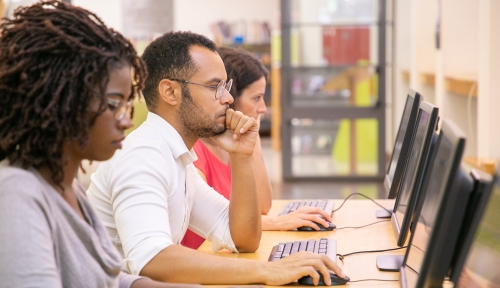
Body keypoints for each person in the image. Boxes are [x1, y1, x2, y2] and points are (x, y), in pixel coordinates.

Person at [86, 30, 345, 286]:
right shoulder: (144, 155)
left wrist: (241, 156)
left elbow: (242, 237)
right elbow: (152, 261)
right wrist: (267, 270)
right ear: (170, 92)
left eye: (226, 87)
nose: (229, 99)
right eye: (215, 87)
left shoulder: (178, 158)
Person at [0, 2, 197, 288]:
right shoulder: (18, 193)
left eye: (127, 105)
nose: (125, 122)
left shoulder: (70, 186)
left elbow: (104, 280)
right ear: (64, 100)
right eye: (113, 104)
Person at [181, 47, 333, 250]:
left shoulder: (229, 149)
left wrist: (253, 139)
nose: (262, 108)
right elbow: (220, 226)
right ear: (230, 100)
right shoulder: (195, 155)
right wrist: (279, 222)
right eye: (256, 98)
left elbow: (262, 206)